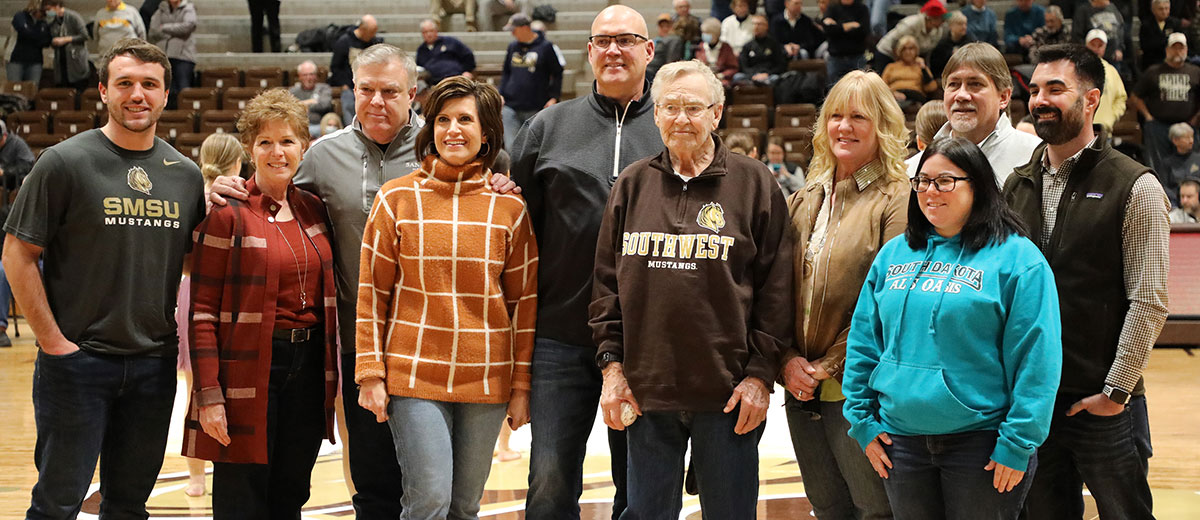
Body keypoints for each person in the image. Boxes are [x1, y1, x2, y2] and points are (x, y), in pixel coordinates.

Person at [209, 43, 422, 520]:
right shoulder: (322, 157)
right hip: (356, 344)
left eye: (390, 91)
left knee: (432, 481)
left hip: (429, 341)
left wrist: (501, 181)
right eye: (366, 90)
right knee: (373, 479)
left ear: (412, 93)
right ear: (351, 91)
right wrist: (220, 189)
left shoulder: (439, 149)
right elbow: (269, 190)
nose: (377, 102)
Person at [3, 38, 204, 519]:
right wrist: (54, 343)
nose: (137, 94)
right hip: (77, 363)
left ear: (165, 95)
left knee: (129, 505)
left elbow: (193, 260)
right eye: (125, 83)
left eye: (149, 84)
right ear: (102, 90)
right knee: (58, 502)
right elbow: (18, 254)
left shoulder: (186, 175)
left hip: (154, 365)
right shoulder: (63, 162)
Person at [590, 58, 793, 520]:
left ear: (716, 114)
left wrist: (761, 376)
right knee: (645, 513)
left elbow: (777, 290)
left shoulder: (755, 183)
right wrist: (613, 369)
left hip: (728, 395)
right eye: (670, 107)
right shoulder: (632, 184)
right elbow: (606, 287)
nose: (681, 118)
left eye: (694, 108)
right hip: (646, 393)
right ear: (655, 113)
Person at [843, 136, 1062, 520]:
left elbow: (1037, 359)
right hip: (900, 443)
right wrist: (862, 420)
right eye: (923, 181)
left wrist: (1018, 442)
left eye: (945, 181)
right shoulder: (893, 254)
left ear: (976, 184)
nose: (930, 191)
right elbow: (864, 342)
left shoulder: (1018, 259)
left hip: (983, 443)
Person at [356, 75, 537, 520]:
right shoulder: (395, 198)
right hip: (414, 374)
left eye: (465, 119)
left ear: (486, 134)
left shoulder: (510, 209)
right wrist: (369, 372)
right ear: (430, 130)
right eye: (442, 120)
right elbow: (371, 292)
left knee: (464, 507)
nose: (453, 129)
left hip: (486, 379)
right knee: (429, 500)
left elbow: (524, 307)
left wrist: (521, 388)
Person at [509, 5, 662, 519]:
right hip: (559, 335)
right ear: (590, 51)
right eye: (603, 41)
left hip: (648, 340)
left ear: (649, 50)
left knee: (641, 487)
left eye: (626, 40)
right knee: (549, 481)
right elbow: (513, 218)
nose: (614, 50)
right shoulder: (548, 126)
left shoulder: (675, 128)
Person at [1007, 43, 1169, 520]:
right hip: (1035, 402)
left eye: (1056, 89)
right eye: (1035, 90)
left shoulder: (1134, 184)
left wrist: (1116, 392)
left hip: (1103, 404)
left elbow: (1150, 300)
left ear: (1091, 100)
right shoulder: (1014, 185)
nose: (1039, 100)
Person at [184, 89, 339, 519]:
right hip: (250, 365)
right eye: (265, 142)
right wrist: (209, 395)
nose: (277, 152)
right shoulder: (227, 210)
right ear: (250, 150)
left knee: (291, 492)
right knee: (242, 498)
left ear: (304, 147)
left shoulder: (313, 208)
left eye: (287, 141)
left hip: (308, 367)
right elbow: (201, 313)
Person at [780, 70, 904, 520]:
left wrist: (827, 366)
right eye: (835, 116)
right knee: (827, 507)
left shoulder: (897, 198)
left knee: (875, 509)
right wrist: (787, 360)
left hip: (861, 390)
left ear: (883, 126)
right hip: (800, 387)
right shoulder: (805, 196)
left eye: (858, 117)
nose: (844, 127)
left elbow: (890, 303)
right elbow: (776, 289)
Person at [175, 131, 242, 498]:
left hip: (191, 291)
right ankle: (223, 466)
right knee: (224, 385)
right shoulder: (231, 195)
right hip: (225, 294)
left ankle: (195, 477)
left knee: (195, 390)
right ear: (238, 162)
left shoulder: (190, 195)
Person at [907, 43, 1042, 184]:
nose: (961, 95)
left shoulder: (1036, 158)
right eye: (953, 84)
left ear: (1003, 97)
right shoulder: (913, 171)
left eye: (975, 84)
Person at [1131, 32, 1200, 174]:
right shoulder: (1153, 71)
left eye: (1181, 48)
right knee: (1158, 166)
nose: (1178, 51)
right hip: (1158, 126)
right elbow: (1135, 97)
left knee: (1191, 166)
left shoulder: (1195, 72)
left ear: (1186, 50)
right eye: (1174, 48)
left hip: (1187, 125)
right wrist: (1148, 116)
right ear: (1167, 50)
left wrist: (1195, 118)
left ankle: (1189, 193)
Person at [499, 11, 564, 147]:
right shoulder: (512, 47)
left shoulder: (545, 47)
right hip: (511, 106)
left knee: (532, 148)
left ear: (524, 28)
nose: (512, 34)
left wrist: (554, 97)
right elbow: (506, 72)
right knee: (512, 147)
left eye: (514, 30)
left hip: (535, 107)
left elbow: (557, 73)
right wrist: (501, 93)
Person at [0, 120, 34, 349]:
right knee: (2, 268)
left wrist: (6, 173)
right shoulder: (5, 209)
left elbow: (27, 167)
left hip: (37, 255)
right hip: (11, 249)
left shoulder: (18, 147)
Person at [148, 0, 195, 110]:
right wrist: (175, 31)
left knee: (183, 90)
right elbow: (153, 30)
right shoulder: (161, 9)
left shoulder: (188, 8)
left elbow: (188, 26)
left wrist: (164, 27)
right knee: (166, 90)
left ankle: (184, 117)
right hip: (165, 57)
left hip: (183, 57)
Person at [874, 0, 947, 71]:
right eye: (941, 18)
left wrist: (926, 70)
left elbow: (927, 54)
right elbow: (894, 42)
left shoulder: (938, 31)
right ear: (931, 18)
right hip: (888, 52)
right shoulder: (912, 23)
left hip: (909, 58)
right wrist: (901, 63)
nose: (943, 21)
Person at [1084, 29, 1126, 132]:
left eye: (1100, 45)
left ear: (1105, 47)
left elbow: (1121, 98)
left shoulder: (1111, 71)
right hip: (1080, 130)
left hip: (1104, 130)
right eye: (1093, 44)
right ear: (1086, 46)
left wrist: (1111, 117)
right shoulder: (1076, 69)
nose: (1096, 49)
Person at [42, 0, 89, 90]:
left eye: (49, 9)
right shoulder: (52, 21)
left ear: (57, 6)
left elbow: (84, 35)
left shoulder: (73, 17)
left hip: (75, 60)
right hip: (61, 61)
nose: (48, 12)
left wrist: (65, 39)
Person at [823, 0, 871, 86]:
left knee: (859, 90)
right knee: (834, 90)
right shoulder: (832, 8)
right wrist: (850, 25)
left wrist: (837, 26)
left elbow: (863, 31)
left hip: (857, 57)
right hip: (836, 57)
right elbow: (828, 30)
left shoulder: (862, 8)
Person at [882, 35, 937, 109]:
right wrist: (893, 94)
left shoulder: (921, 67)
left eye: (911, 48)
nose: (907, 52)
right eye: (904, 49)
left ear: (916, 50)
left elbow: (931, 88)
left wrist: (923, 68)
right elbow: (882, 86)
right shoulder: (891, 67)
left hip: (915, 97)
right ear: (900, 51)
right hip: (895, 96)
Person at [417, 19, 476, 86]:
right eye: (425, 32)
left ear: (436, 31)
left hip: (456, 78)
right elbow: (421, 68)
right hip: (435, 84)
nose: (429, 34)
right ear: (422, 34)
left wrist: (467, 71)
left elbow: (468, 55)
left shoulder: (450, 42)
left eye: (431, 31)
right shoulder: (421, 50)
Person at [329, 15, 381, 89]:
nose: (373, 35)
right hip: (350, 85)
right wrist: (343, 84)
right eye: (371, 32)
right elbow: (335, 67)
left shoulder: (374, 43)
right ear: (362, 29)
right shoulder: (344, 42)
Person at [1071, 0, 1126, 67]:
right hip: (1091, 58)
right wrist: (1085, 53)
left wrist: (1119, 48)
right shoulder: (1083, 11)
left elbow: (1120, 28)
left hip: (1113, 57)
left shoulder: (1112, 7)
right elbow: (1077, 36)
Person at [735, 15, 787, 86]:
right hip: (751, 76)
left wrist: (767, 74)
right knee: (737, 77)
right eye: (753, 24)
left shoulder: (774, 44)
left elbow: (780, 65)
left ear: (766, 26)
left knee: (776, 79)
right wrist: (753, 75)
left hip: (769, 75)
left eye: (759, 24)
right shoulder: (747, 46)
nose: (756, 27)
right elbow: (744, 66)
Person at [9, 0, 50, 82]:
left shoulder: (43, 22)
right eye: (42, 11)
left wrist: (33, 35)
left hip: (35, 61)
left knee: (32, 89)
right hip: (16, 59)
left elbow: (47, 41)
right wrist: (38, 36)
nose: (43, 14)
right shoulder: (20, 16)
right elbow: (24, 31)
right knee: (14, 89)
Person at [1161, 122, 1200, 207]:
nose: (1191, 141)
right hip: (1176, 202)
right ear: (1175, 141)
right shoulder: (1167, 162)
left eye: (1192, 136)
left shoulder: (1198, 158)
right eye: (1187, 137)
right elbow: (1164, 186)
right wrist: (1180, 198)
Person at [289, 60, 333, 137]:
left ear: (316, 76)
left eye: (311, 74)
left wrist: (301, 105)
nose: (308, 78)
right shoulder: (293, 91)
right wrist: (310, 102)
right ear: (299, 76)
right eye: (305, 75)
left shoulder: (324, 88)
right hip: (299, 127)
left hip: (320, 126)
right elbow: (289, 107)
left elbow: (325, 105)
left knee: (331, 129)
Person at [1139, 0, 1183, 73]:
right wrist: (1166, 41)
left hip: (1171, 61)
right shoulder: (1146, 25)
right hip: (1152, 62)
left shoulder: (1175, 24)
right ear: (1153, 10)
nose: (1164, 11)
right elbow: (1145, 46)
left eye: (1166, 8)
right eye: (1161, 9)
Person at [929, 11, 975, 79]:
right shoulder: (942, 44)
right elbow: (936, 67)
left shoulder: (971, 42)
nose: (964, 27)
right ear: (951, 26)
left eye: (965, 24)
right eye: (960, 24)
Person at [696, 17, 739, 87]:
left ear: (716, 34)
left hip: (721, 79)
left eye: (707, 33)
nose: (704, 35)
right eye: (703, 33)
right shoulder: (701, 47)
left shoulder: (726, 47)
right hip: (704, 79)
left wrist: (721, 75)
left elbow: (733, 68)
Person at [648, 13, 685, 81]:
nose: (665, 29)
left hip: (657, 75)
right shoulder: (653, 41)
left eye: (667, 26)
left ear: (672, 27)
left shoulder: (674, 40)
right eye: (662, 26)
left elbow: (671, 62)